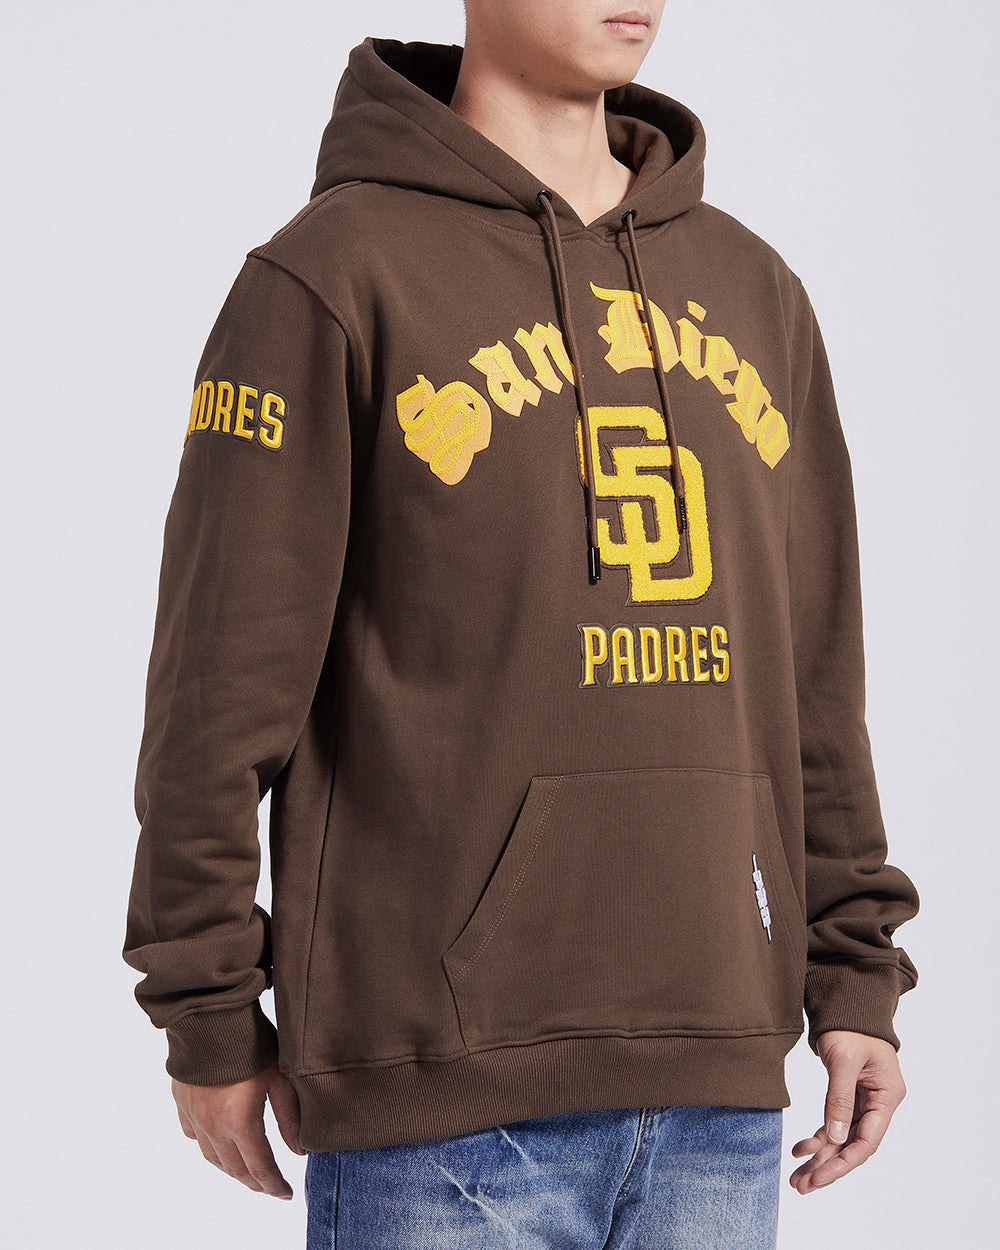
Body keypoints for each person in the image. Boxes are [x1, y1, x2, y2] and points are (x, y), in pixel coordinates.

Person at [124, 3, 920, 1246]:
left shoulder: (754, 288)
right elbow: (217, 691)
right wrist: (208, 1006)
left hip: (717, 1083)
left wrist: (853, 972)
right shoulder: (329, 278)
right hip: (437, 1099)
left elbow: (815, 675)